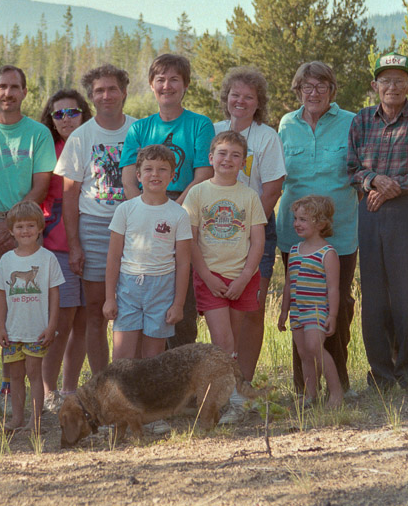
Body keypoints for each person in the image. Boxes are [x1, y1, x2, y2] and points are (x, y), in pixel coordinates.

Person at [0, 65, 57, 417]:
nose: (8, 93)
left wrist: (15, 226)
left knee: (24, 310)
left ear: (25, 92)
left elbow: (41, 184)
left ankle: (8, 385)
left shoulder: (38, 135)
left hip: (28, 233)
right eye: (2, 86)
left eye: (15, 87)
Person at [347, 52, 408, 392]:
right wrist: (373, 180)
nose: (392, 87)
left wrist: (388, 188)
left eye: (399, 80)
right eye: (385, 80)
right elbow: (351, 168)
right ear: (374, 85)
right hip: (370, 213)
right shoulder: (360, 121)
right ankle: (381, 376)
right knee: (374, 297)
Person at [119, 54, 214, 347]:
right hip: (143, 212)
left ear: (185, 85)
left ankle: (183, 383)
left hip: (185, 211)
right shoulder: (139, 129)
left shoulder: (200, 124)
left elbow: (203, 174)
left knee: (180, 302)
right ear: (151, 85)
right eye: (160, 79)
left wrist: (171, 211)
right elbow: (127, 179)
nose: (167, 85)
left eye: (174, 79)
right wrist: (144, 212)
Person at [277, 61, 358, 395]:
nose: (313, 93)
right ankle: (304, 388)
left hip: (340, 234)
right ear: (297, 91)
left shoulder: (352, 122)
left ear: (332, 90)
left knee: (335, 308)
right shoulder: (286, 124)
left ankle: (339, 384)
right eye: (306, 87)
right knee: (301, 305)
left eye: (320, 86)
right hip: (294, 232)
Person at [55, 64, 136, 377]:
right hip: (94, 228)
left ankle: (133, 381)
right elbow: (70, 195)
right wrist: (74, 244)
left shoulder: (139, 130)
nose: (107, 96)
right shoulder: (81, 137)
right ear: (91, 96)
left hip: (135, 228)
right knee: (96, 311)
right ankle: (105, 384)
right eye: (99, 91)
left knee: (134, 311)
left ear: (124, 92)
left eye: (112, 88)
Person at [182, 131, 266, 424]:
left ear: (244, 163)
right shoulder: (198, 193)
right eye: (222, 153)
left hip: (243, 278)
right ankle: (228, 400)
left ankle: (236, 396)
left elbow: (258, 241)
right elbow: (190, 241)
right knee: (223, 342)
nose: (227, 159)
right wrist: (206, 275)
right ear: (211, 158)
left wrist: (244, 277)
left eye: (235, 155)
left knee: (235, 340)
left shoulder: (248, 196)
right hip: (211, 278)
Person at [212, 67, 286, 384]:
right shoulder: (212, 130)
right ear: (226, 97)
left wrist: (250, 231)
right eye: (235, 95)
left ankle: (243, 383)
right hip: (214, 231)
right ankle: (218, 383)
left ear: (259, 103)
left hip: (257, 230)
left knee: (252, 308)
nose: (240, 101)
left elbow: (272, 189)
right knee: (218, 308)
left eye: (249, 97)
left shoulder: (266, 137)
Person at [104, 144, 192, 361]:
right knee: (122, 356)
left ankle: (148, 396)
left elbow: (183, 263)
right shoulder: (125, 210)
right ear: (138, 175)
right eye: (149, 169)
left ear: (173, 175)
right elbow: (114, 257)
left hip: (162, 288)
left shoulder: (178, 214)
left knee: (153, 359)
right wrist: (109, 298)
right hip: (128, 288)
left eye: (162, 169)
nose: (155, 174)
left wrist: (178, 303)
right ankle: (119, 396)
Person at [37, 89, 92, 413]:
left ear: (84, 113)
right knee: (60, 322)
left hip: (96, 242)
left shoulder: (93, 145)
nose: (66, 119)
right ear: (51, 120)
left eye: (72, 112)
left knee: (85, 320)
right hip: (58, 244)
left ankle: (71, 391)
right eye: (59, 114)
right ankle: (48, 391)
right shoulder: (49, 150)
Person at [0, 201, 63, 433]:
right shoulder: (6, 261)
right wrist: (1, 327)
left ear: (40, 228)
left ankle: (36, 420)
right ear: (11, 230)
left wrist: (52, 324)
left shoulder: (48, 259)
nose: (25, 231)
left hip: (37, 330)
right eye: (20, 227)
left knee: (34, 373)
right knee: (15, 375)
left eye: (30, 226)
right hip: (13, 331)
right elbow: (2, 296)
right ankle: (16, 419)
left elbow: (54, 295)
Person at [277, 195, 342, 408]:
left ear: (321, 223)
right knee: (304, 353)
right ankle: (310, 394)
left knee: (316, 348)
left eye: (303, 219)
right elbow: (288, 284)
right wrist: (284, 312)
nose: (297, 223)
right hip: (297, 311)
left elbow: (333, 288)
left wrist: (332, 315)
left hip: (316, 310)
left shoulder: (327, 253)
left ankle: (336, 393)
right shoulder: (294, 250)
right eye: (296, 218)